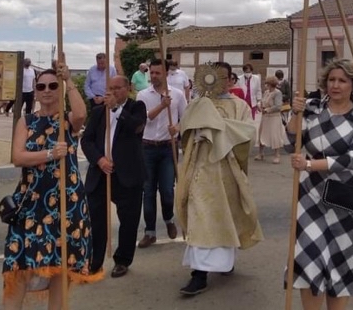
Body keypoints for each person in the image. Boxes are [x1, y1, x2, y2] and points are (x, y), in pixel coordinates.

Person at [287, 58, 353, 310]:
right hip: (310, 198)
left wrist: (309, 165)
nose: (335, 85)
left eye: (342, 80)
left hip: (348, 200)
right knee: (308, 259)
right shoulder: (311, 107)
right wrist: (295, 114)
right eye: (331, 79)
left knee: (341, 265)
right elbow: (293, 138)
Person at [2, 63, 100, 309]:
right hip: (31, 202)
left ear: (60, 89)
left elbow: (80, 114)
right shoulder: (26, 121)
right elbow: (18, 157)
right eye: (41, 86)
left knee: (62, 267)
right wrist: (50, 154)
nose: (47, 90)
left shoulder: (67, 121)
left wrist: (69, 81)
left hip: (68, 204)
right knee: (20, 264)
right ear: (34, 91)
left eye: (53, 86)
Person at [175, 62, 264, 296]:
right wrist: (192, 130)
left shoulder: (240, 106)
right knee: (199, 217)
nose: (222, 81)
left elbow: (246, 134)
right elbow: (185, 132)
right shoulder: (197, 104)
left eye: (226, 77)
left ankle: (225, 261)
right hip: (200, 170)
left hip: (227, 171)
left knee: (227, 217)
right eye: (217, 77)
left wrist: (215, 130)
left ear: (231, 80)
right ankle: (199, 274)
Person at [81, 76, 147, 278]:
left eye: (118, 88)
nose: (114, 91)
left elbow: (137, 127)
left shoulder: (137, 107)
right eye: (110, 88)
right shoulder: (99, 112)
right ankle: (95, 261)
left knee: (128, 220)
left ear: (128, 88)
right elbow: (87, 140)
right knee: (96, 219)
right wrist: (99, 159)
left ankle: (123, 260)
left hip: (127, 174)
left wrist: (117, 109)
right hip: (101, 173)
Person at [136, 59, 187, 248]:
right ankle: (150, 232)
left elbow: (186, 116)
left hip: (168, 147)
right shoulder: (142, 95)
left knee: (167, 190)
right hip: (147, 147)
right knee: (148, 192)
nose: (154, 76)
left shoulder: (179, 95)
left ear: (166, 73)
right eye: (152, 72)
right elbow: (144, 118)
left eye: (158, 73)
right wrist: (162, 106)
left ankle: (169, 219)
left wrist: (178, 128)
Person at [254, 76, 288, 164]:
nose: (266, 85)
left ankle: (277, 155)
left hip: (274, 117)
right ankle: (261, 153)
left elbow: (278, 106)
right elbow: (262, 101)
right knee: (262, 134)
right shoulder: (266, 92)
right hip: (265, 117)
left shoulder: (277, 93)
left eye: (267, 83)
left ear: (271, 84)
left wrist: (268, 110)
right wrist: (259, 106)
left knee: (275, 135)